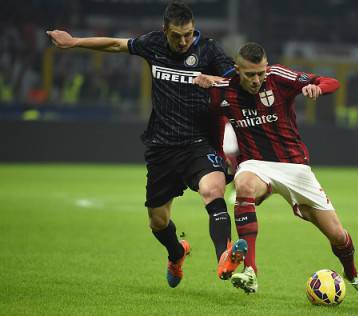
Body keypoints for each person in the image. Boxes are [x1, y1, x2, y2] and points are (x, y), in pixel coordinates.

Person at [46, 1, 247, 288]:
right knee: (158, 221)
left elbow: (237, 84)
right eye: (177, 35)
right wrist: (74, 41)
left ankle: (224, 256)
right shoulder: (153, 44)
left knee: (212, 190)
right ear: (165, 31)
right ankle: (176, 253)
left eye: (188, 34)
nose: (183, 41)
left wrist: (214, 81)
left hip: (198, 143)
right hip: (162, 146)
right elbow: (116, 45)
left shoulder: (210, 49)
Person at [207, 42, 358, 304]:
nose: (257, 80)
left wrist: (317, 88)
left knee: (337, 235)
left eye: (260, 73)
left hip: (295, 167)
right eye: (250, 74)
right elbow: (211, 118)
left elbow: (331, 81)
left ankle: (353, 275)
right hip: (256, 163)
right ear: (237, 70)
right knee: (244, 186)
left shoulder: (278, 77)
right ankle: (250, 270)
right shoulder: (223, 89)